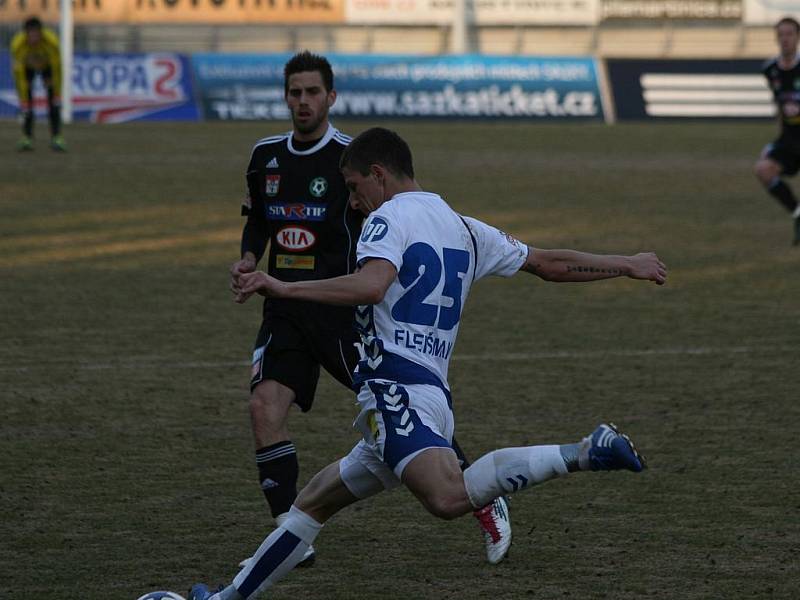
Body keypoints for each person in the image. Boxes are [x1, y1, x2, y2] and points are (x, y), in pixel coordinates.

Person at [188, 127, 668, 600]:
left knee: (448, 497)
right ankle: (227, 596)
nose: (353, 203)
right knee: (312, 502)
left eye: (354, 188)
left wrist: (284, 287)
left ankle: (587, 451)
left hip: (394, 391)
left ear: (378, 175)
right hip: (429, 394)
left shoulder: (387, 219)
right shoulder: (462, 226)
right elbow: (547, 263)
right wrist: (625, 263)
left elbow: (373, 284)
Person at [231, 52, 511, 569]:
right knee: (263, 408)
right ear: (286, 96)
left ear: (330, 97)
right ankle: (293, 535)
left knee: (406, 410)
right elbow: (257, 223)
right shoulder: (264, 156)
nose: (303, 101)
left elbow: (385, 232)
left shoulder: (350, 162)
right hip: (285, 307)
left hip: (347, 311)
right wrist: (250, 259)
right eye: (295, 92)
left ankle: (484, 498)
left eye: (313, 92)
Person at [755, 16, 800, 245]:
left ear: (798, 37)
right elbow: (780, 108)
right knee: (764, 169)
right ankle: (797, 213)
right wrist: (775, 143)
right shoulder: (770, 69)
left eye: (789, 34)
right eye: (781, 34)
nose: (785, 39)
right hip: (790, 138)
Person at [10, 16, 66, 152]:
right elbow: (19, 75)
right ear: (25, 33)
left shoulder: (52, 42)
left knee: (53, 102)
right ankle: (27, 138)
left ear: (41, 32)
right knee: (27, 105)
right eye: (30, 34)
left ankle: (57, 138)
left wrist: (58, 92)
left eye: (36, 34)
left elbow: (57, 69)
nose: (34, 38)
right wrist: (23, 98)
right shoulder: (17, 45)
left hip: (48, 68)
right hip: (27, 70)